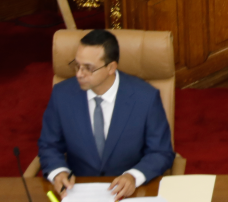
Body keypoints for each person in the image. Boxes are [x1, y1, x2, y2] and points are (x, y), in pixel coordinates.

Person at [38, 30, 174, 200]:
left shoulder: (145, 98)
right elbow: (49, 145)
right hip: (78, 191)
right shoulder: (62, 95)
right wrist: (58, 171)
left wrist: (133, 176)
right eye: (77, 65)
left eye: (88, 68)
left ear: (111, 67)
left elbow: (161, 152)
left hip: (128, 195)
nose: (79, 73)